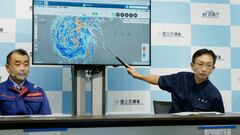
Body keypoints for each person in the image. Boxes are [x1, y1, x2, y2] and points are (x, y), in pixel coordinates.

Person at [127, 48, 225, 113]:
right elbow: (158, 79)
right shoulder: (181, 78)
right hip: (173, 127)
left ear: (212, 69)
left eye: (208, 65)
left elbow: (220, 122)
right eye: (200, 64)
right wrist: (138, 75)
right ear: (192, 66)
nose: (204, 69)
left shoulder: (214, 94)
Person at [0, 49, 51, 115]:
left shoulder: (39, 91)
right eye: (17, 64)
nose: (22, 68)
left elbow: (46, 122)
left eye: (26, 65)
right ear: (7, 68)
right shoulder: (1, 90)